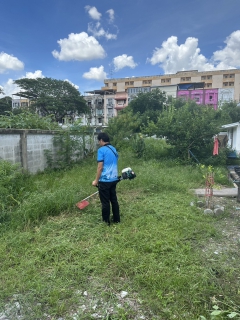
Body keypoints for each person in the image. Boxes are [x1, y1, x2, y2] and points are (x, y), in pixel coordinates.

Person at [92, 132, 120, 225]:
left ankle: (106, 222)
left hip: (105, 180)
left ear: (101, 140)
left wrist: (96, 180)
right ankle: (117, 219)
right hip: (114, 179)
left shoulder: (101, 150)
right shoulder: (113, 149)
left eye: (98, 141)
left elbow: (100, 167)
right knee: (114, 200)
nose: (99, 143)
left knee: (105, 202)